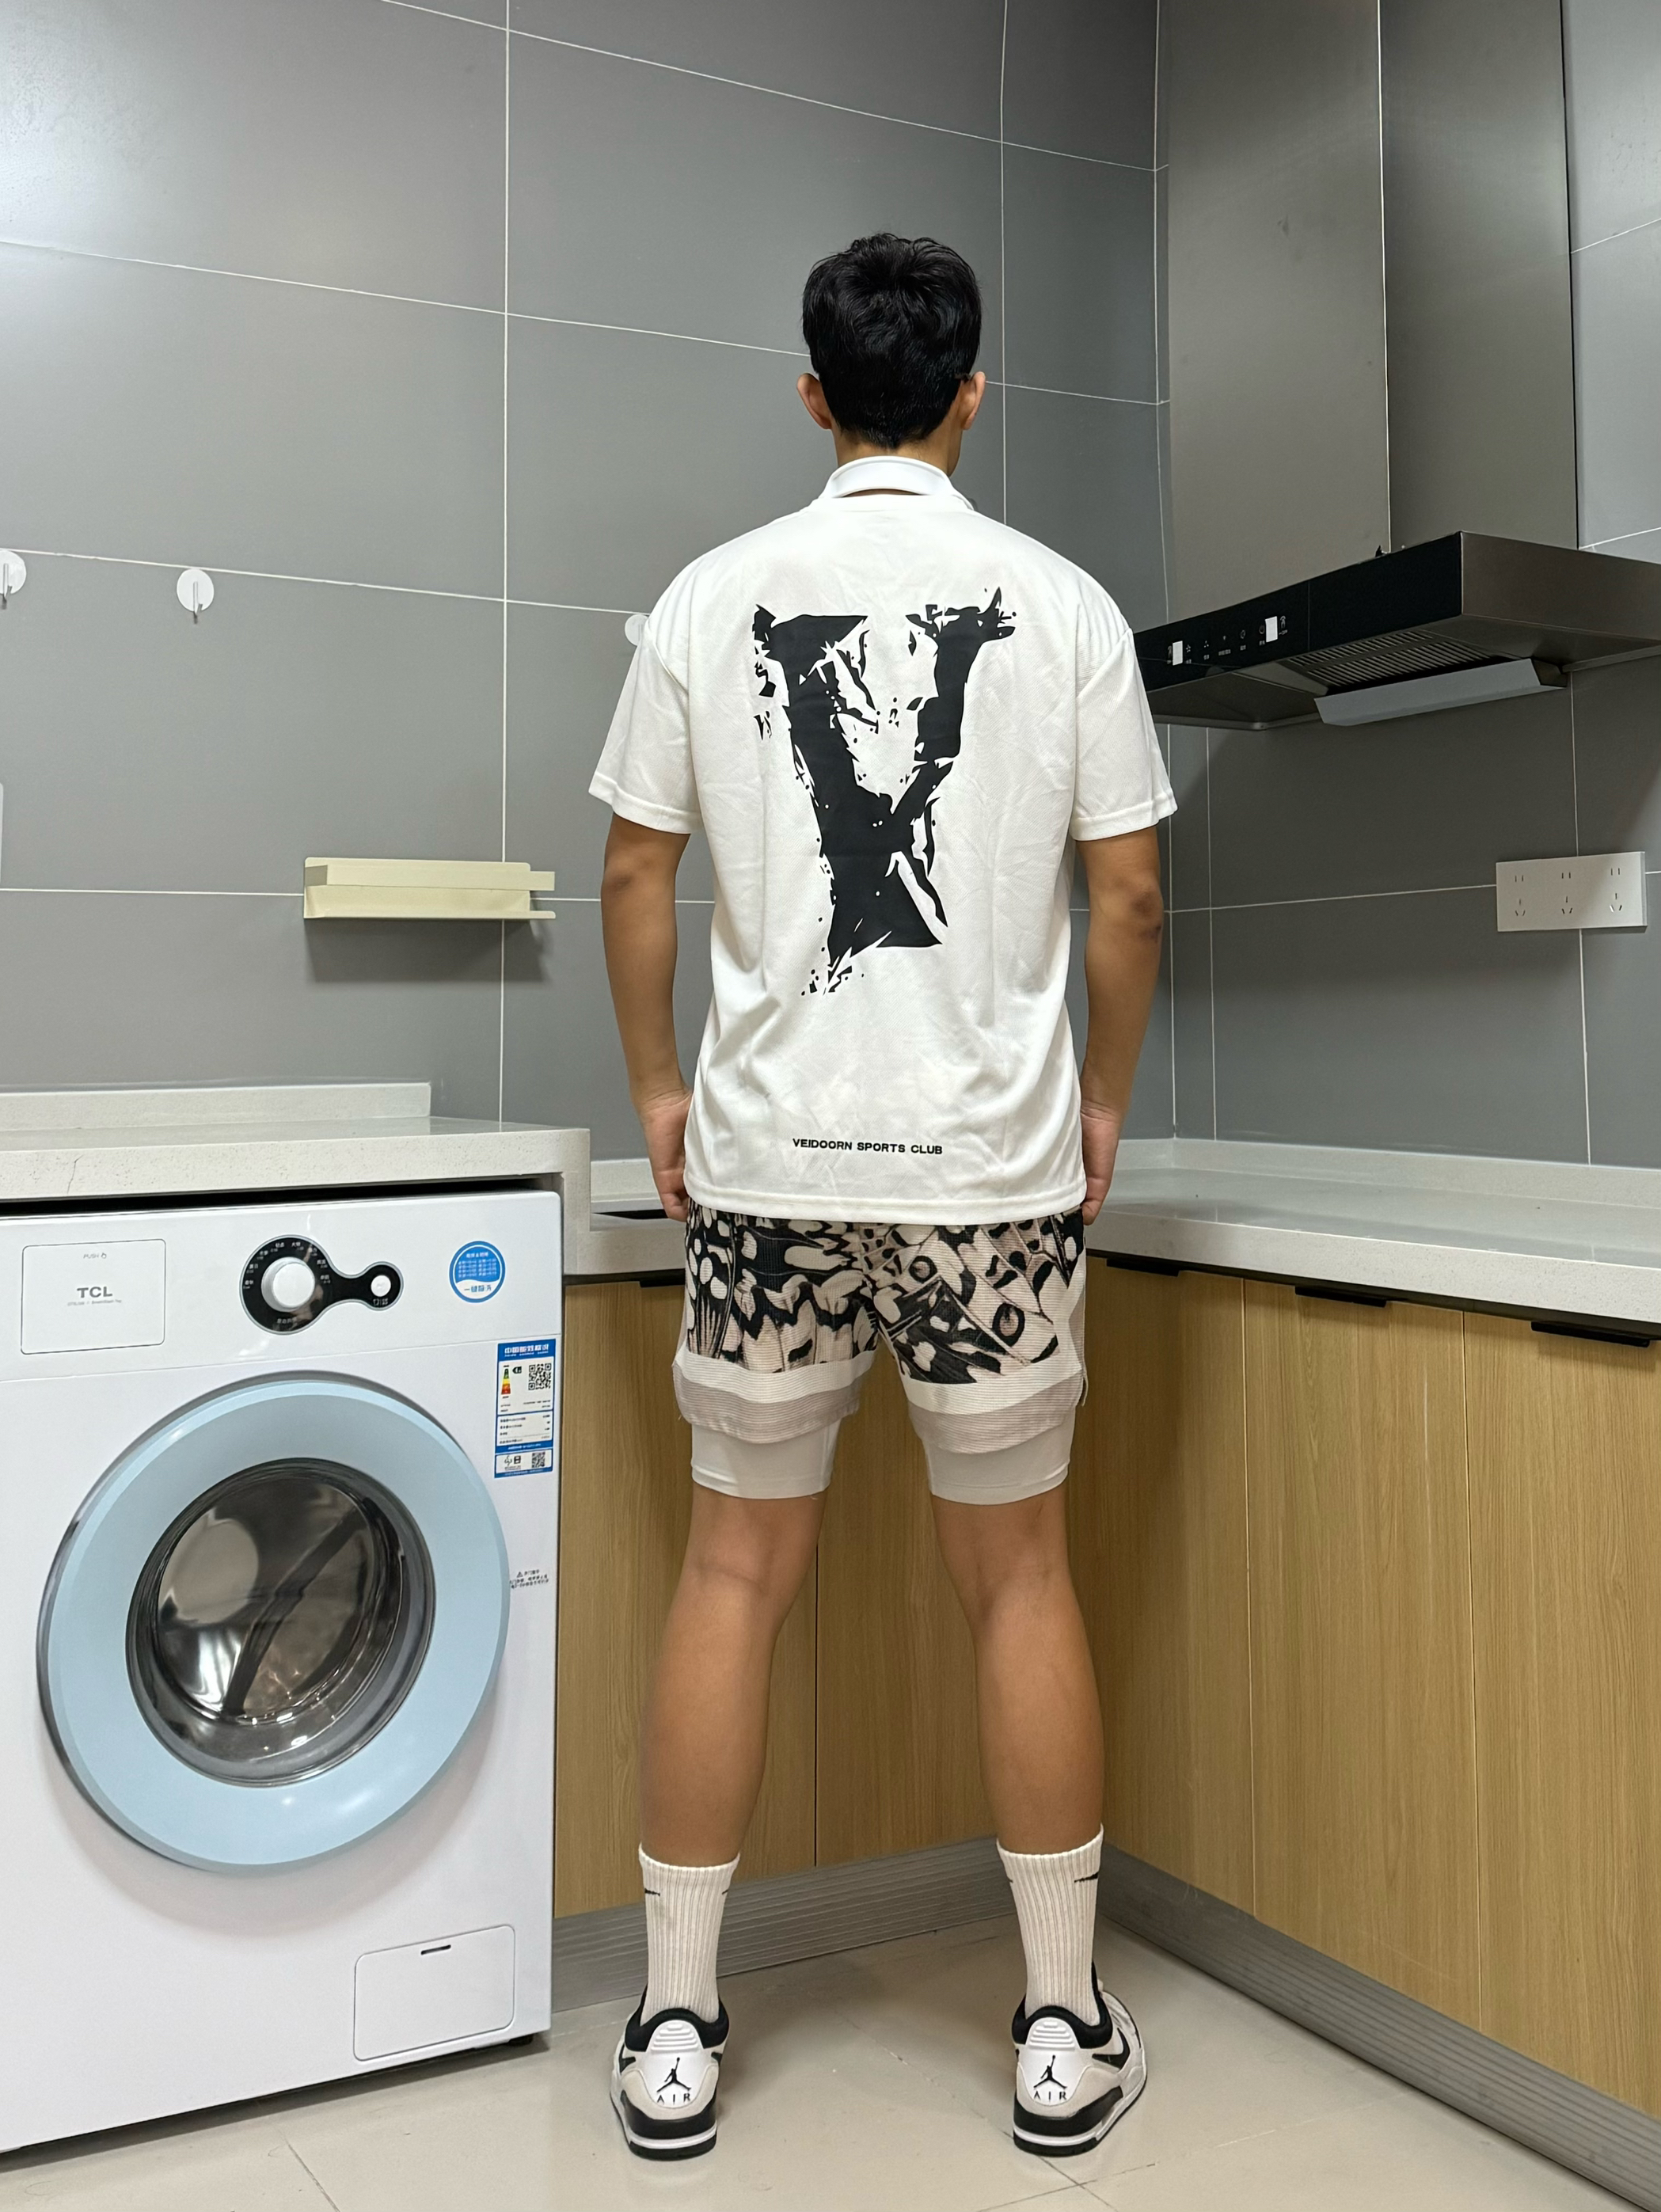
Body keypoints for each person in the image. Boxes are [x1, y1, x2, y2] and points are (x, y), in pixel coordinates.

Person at [591, 231, 1172, 2164]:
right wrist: (1101, 1101)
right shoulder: (1061, 604)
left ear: (811, 393)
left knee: (730, 1573)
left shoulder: (708, 596)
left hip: (765, 1173)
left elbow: (633, 873)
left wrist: (660, 1089)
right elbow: (1126, 893)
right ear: (972, 394)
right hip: (987, 1178)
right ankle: (1060, 2028)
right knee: (1017, 1576)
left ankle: (673, 2027)